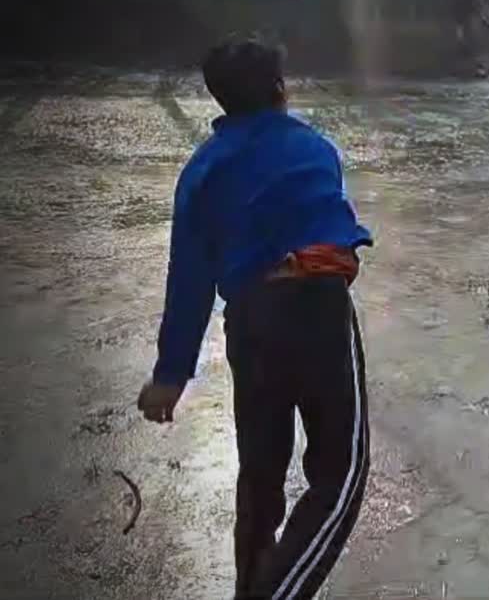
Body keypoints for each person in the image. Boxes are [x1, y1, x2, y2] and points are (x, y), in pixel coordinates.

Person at [136, 38, 373, 599]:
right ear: (280, 90)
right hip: (316, 305)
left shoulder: (202, 169)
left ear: (220, 101)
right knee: (339, 478)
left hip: (249, 321)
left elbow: (189, 278)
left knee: (262, 476)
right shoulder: (316, 149)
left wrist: (172, 374)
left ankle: (251, 587)